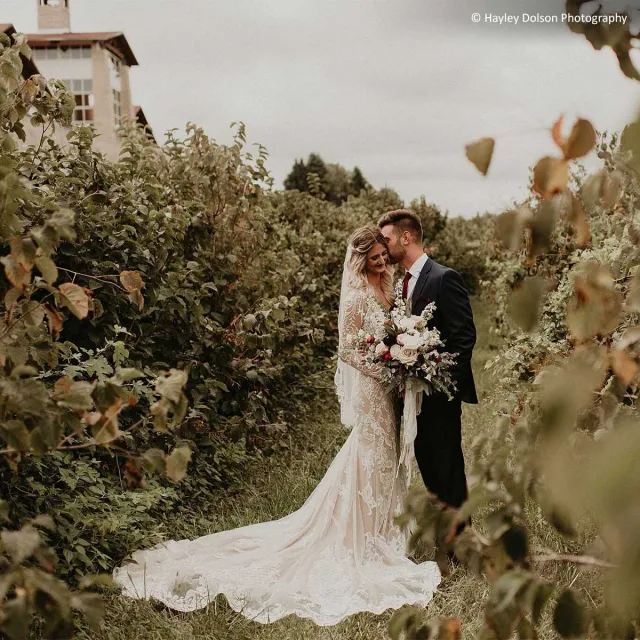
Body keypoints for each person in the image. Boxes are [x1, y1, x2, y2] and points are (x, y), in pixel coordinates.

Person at [112, 225, 440, 626]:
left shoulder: (388, 286)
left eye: (382, 256)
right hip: (374, 389)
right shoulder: (355, 295)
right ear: (359, 259)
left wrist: (403, 355)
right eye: (373, 257)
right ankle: (363, 540)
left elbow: (389, 334)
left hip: (390, 390)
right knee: (372, 454)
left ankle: (384, 532)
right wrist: (386, 368)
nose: (381, 261)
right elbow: (349, 350)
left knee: (385, 456)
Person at [379, 209, 477, 513]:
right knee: (428, 464)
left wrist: (442, 387)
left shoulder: (443, 277)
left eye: (387, 239)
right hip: (412, 393)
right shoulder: (403, 284)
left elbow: (464, 337)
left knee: (447, 468)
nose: (383, 247)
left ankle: (460, 544)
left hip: (438, 394)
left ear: (405, 237)